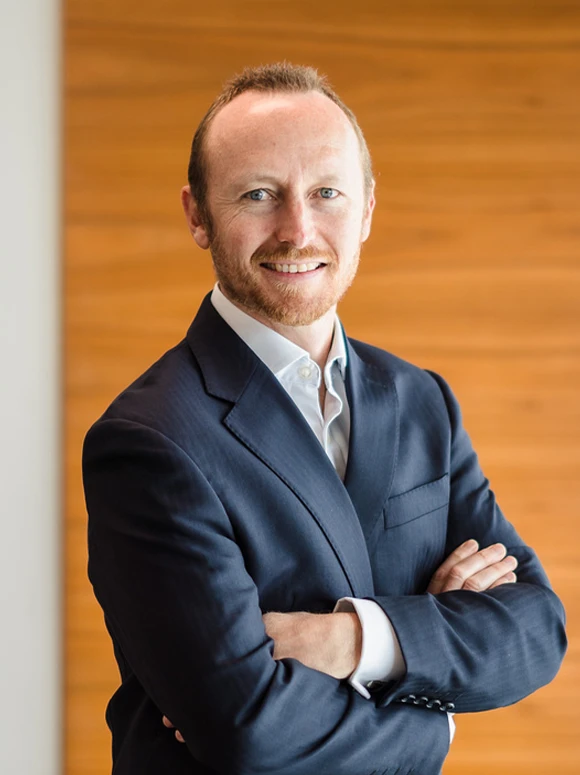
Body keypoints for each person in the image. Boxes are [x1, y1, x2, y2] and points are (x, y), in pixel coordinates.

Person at [83, 63, 566, 775]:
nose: (297, 229)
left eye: (326, 193)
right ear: (197, 214)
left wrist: (356, 640)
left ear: (366, 209)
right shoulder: (149, 439)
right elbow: (247, 730)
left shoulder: (420, 398)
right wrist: (438, 716)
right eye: (258, 194)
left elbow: (536, 630)